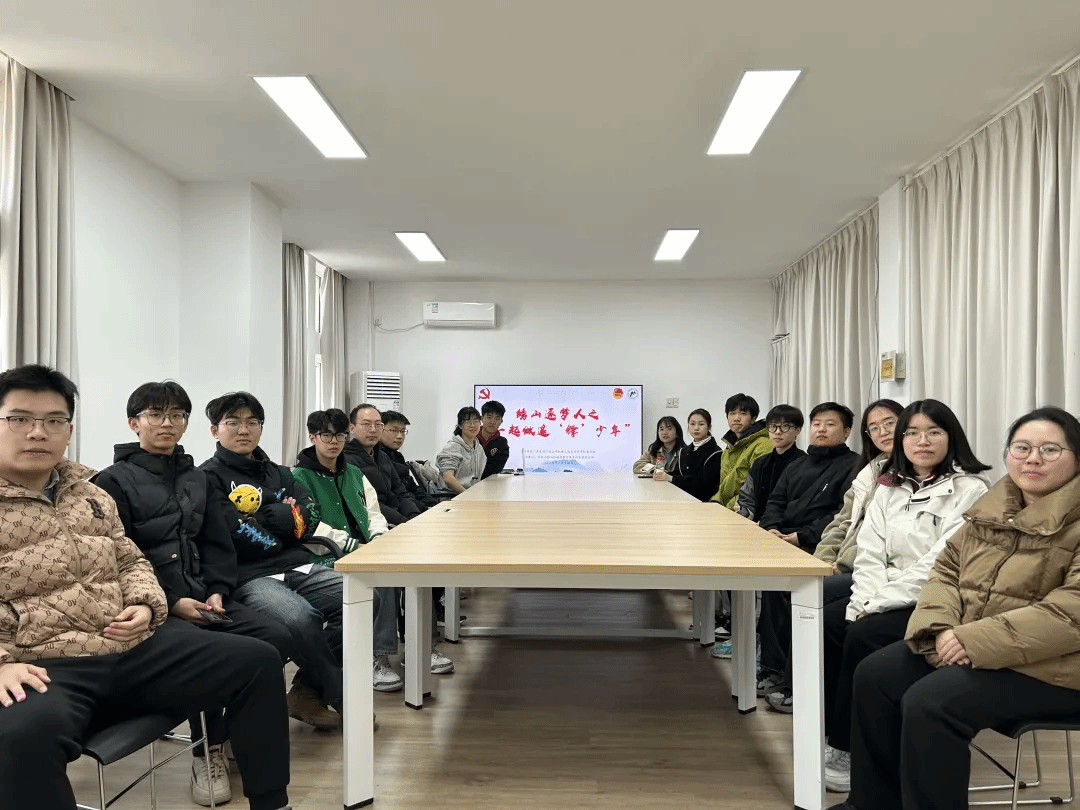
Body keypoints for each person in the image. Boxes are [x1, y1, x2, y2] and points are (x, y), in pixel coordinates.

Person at [0, 365, 293, 810]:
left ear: (69, 431)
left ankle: (272, 803)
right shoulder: (116, 479)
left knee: (258, 659)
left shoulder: (90, 494)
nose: (38, 432)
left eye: (54, 420)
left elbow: (131, 560)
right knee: (21, 738)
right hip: (41, 663)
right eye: (20, 419)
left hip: (130, 644)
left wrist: (145, 604)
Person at [831, 407, 1080, 810]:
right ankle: (870, 803)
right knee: (875, 675)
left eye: (1050, 450)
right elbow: (945, 572)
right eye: (1022, 448)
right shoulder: (992, 509)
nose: (1033, 459)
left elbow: (1070, 614)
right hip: (976, 644)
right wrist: (940, 627)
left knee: (932, 702)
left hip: (1054, 665)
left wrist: (973, 640)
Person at [94, 381, 294, 805]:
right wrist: (171, 602)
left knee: (275, 636)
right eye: (155, 414)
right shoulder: (111, 482)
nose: (167, 423)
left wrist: (218, 590)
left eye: (177, 415)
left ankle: (241, 734)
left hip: (205, 596)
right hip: (152, 606)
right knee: (212, 653)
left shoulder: (197, 477)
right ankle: (208, 749)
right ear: (134, 423)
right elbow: (118, 558)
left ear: (187, 423)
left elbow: (217, 542)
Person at [817, 399, 990, 792]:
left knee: (862, 634)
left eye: (933, 432)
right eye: (912, 433)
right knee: (828, 622)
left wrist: (875, 606)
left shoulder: (970, 490)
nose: (921, 441)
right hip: (883, 590)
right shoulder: (889, 486)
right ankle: (833, 729)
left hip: (938, 598)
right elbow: (870, 553)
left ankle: (847, 747)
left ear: (952, 437)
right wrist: (863, 602)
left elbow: (939, 562)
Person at [199, 391, 346, 730]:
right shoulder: (207, 478)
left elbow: (310, 515)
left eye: (252, 422)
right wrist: (282, 520)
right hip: (250, 576)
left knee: (367, 597)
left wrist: (267, 521)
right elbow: (233, 533)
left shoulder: (279, 473)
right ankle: (339, 694)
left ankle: (307, 690)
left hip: (297, 565)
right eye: (233, 422)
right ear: (215, 430)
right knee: (300, 618)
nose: (243, 429)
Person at [293, 409, 452, 685]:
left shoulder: (353, 473)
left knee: (416, 569)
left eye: (339, 436)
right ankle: (378, 656)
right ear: (312, 437)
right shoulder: (299, 477)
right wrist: (353, 544)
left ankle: (420, 647)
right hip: (327, 555)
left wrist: (378, 538)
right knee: (383, 579)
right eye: (326, 436)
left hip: (367, 548)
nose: (334, 442)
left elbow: (373, 511)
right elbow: (307, 525)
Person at [747, 403, 859, 703]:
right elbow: (775, 502)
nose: (821, 429)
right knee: (768, 581)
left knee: (787, 586)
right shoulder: (797, 465)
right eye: (817, 423)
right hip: (782, 540)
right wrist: (772, 529)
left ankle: (789, 676)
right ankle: (773, 668)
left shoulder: (853, 466)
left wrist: (800, 536)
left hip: (816, 544)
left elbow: (840, 515)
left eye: (830, 424)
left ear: (847, 432)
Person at [343, 403, 422, 525]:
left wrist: (414, 516)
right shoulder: (346, 460)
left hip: (398, 519)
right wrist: (403, 522)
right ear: (352, 428)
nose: (373, 429)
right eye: (366, 424)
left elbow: (401, 493)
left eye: (378, 424)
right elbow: (367, 504)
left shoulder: (382, 456)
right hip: (376, 524)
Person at [735, 404, 806, 521]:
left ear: (797, 430)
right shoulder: (760, 463)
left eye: (785, 426)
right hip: (756, 526)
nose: (777, 432)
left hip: (786, 528)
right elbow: (746, 499)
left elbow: (801, 507)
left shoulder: (805, 464)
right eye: (772, 426)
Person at [711, 393, 772, 509]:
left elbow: (756, 488)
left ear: (753, 418)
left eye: (743, 413)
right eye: (732, 413)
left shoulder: (764, 444)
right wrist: (715, 502)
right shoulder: (729, 447)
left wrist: (727, 508)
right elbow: (724, 486)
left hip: (745, 510)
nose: (736, 418)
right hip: (725, 509)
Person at [653, 409, 722, 502]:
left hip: (703, 503)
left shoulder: (716, 452)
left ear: (709, 427)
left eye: (701, 424)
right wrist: (662, 475)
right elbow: (677, 473)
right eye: (692, 424)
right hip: (682, 499)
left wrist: (671, 478)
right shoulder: (684, 451)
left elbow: (702, 483)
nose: (696, 428)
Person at [379, 410, 441, 508]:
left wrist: (433, 504)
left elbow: (413, 488)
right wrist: (425, 508)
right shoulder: (377, 458)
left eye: (403, 431)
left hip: (413, 506)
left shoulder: (397, 456)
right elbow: (397, 496)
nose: (400, 436)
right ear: (380, 429)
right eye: (393, 430)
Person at [436, 407, 487, 494]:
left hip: (471, 494)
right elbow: (448, 479)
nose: (472, 425)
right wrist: (467, 495)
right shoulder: (452, 447)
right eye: (468, 421)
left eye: (476, 421)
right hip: (451, 496)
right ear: (460, 425)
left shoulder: (479, 448)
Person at [478, 400, 510, 478]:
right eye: (489, 417)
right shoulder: (470, 438)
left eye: (497, 418)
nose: (492, 422)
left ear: (501, 422)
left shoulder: (502, 444)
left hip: (489, 483)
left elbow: (494, 470)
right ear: (482, 418)